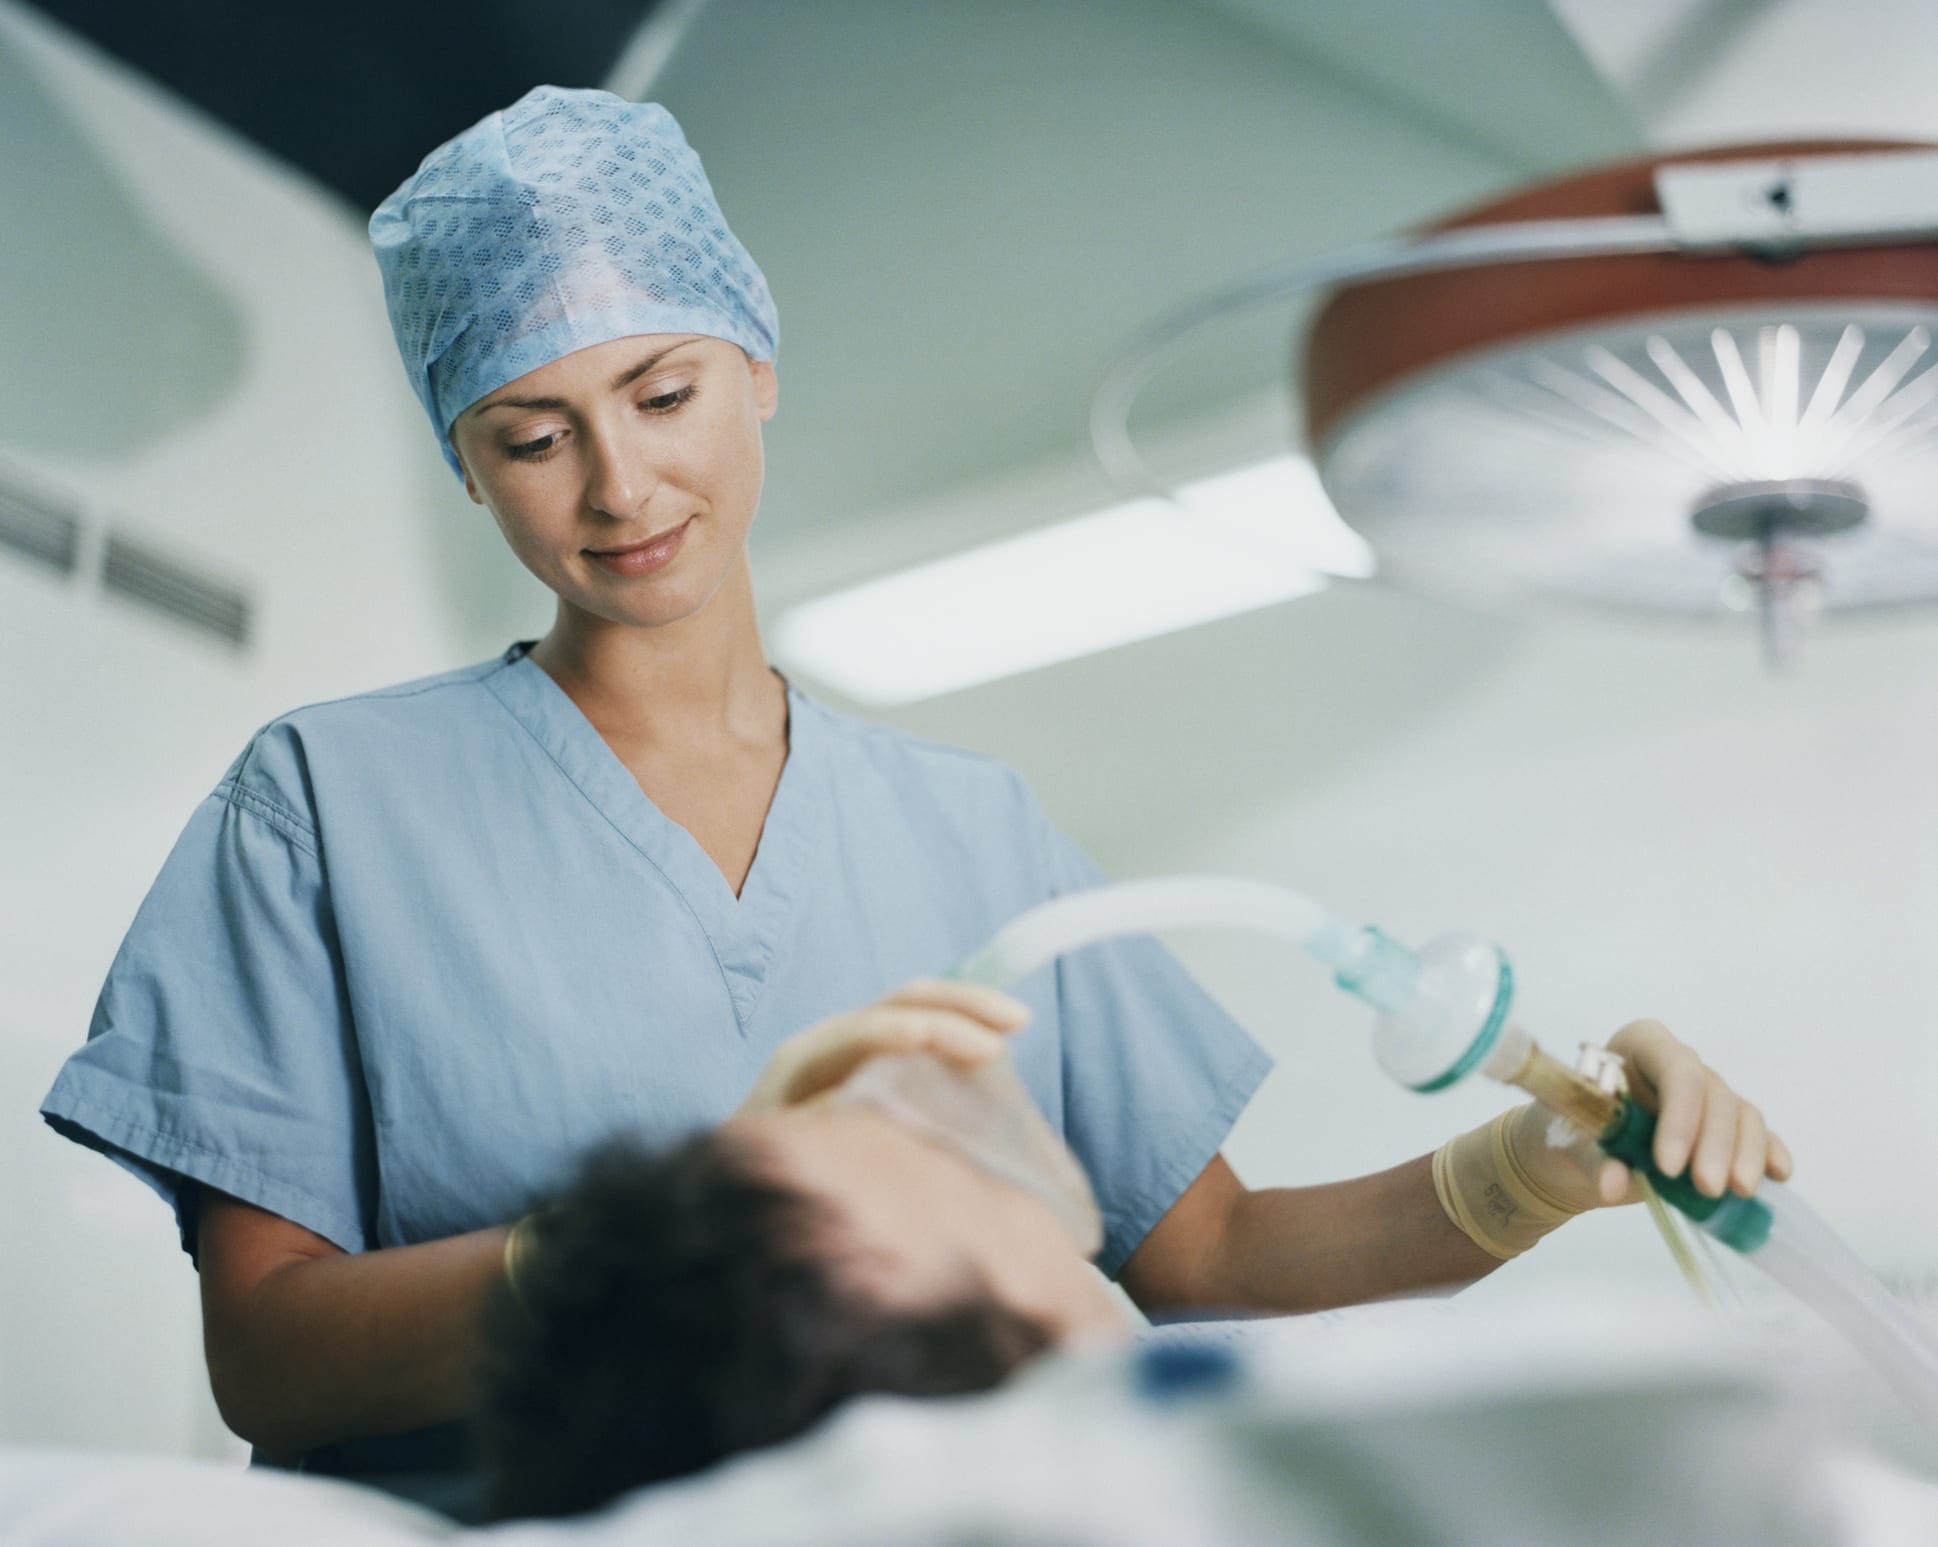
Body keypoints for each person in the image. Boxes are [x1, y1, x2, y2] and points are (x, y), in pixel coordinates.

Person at [38, 86, 1790, 1522]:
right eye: (531, 432)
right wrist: (713, 1216)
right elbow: (267, 1356)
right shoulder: (330, 802)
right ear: (465, 458)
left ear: (757, 365)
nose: (622, 482)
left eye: (663, 393)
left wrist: (1534, 1168)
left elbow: (1215, 1255)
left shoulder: (970, 832)